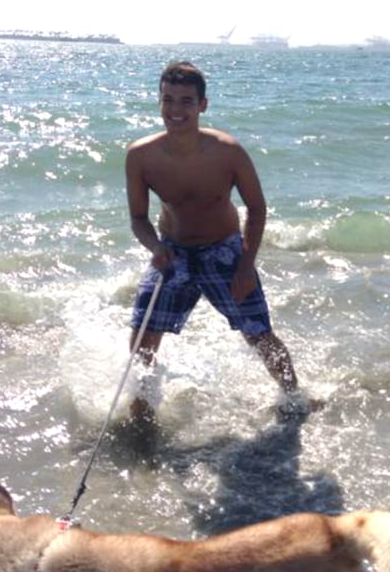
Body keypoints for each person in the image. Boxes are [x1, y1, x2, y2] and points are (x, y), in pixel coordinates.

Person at [126, 60, 300, 420]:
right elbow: (139, 218)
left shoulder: (228, 151)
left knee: (259, 334)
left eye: (186, 101)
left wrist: (246, 265)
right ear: (159, 101)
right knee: (143, 337)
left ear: (203, 105)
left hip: (225, 252)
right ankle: (141, 414)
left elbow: (256, 207)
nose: (176, 110)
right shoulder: (141, 155)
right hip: (172, 253)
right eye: (168, 100)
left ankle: (294, 399)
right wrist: (155, 247)